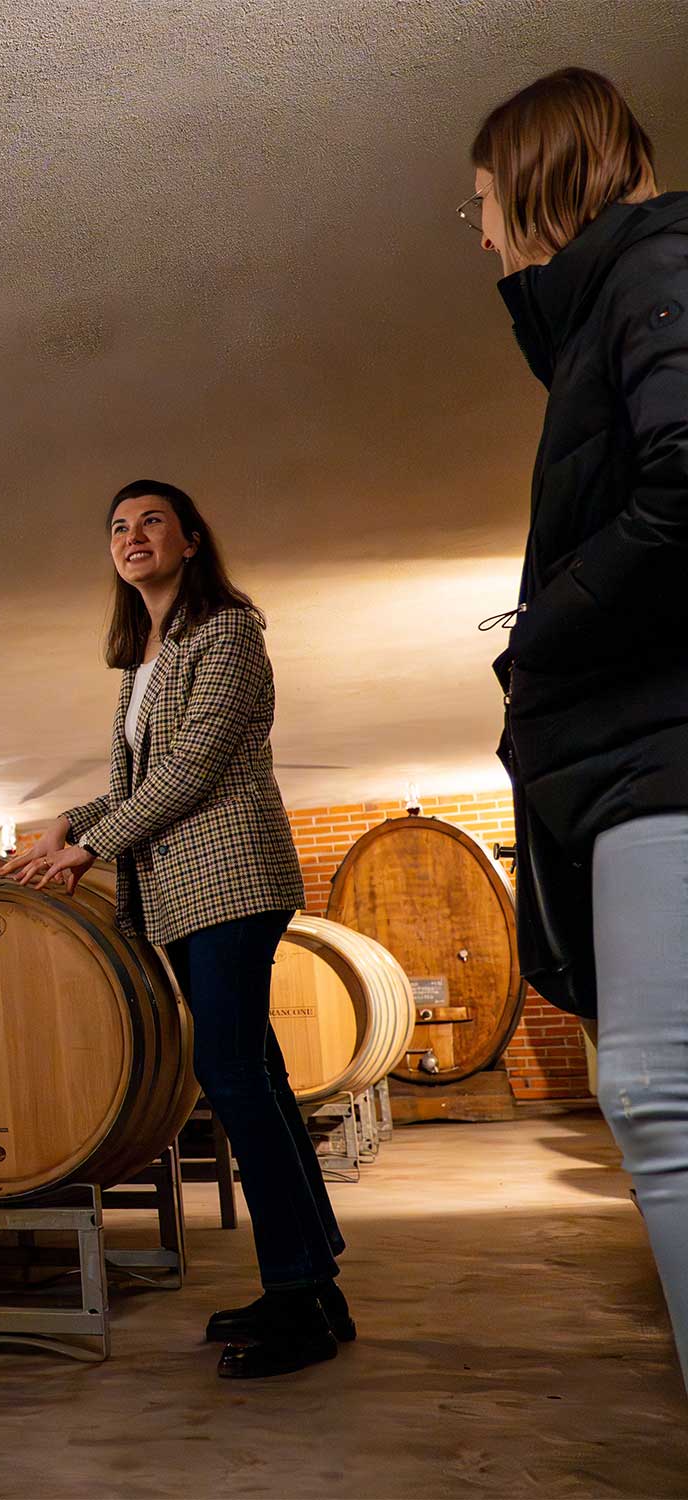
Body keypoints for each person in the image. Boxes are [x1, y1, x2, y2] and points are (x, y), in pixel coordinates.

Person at [0, 479, 355, 1378]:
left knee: (231, 1075)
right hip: (186, 890)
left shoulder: (227, 630)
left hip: (232, 876)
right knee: (257, 1078)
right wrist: (68, 823)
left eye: (151, 520)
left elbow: (195, 766)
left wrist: (94, 849)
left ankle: (296, 1297)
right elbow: (132, 782)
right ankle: (315, 1290)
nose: (132, 536)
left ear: (192, 539)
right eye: (118, 527)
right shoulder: (140, 660)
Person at [463, 67, 688, 1390]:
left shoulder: (659, 264)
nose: (481, 238)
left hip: (662, 756)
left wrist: (540, 630)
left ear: (543, 181)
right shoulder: (631, 291)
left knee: (664, 1101)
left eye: (483, 205)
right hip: (646, 751)